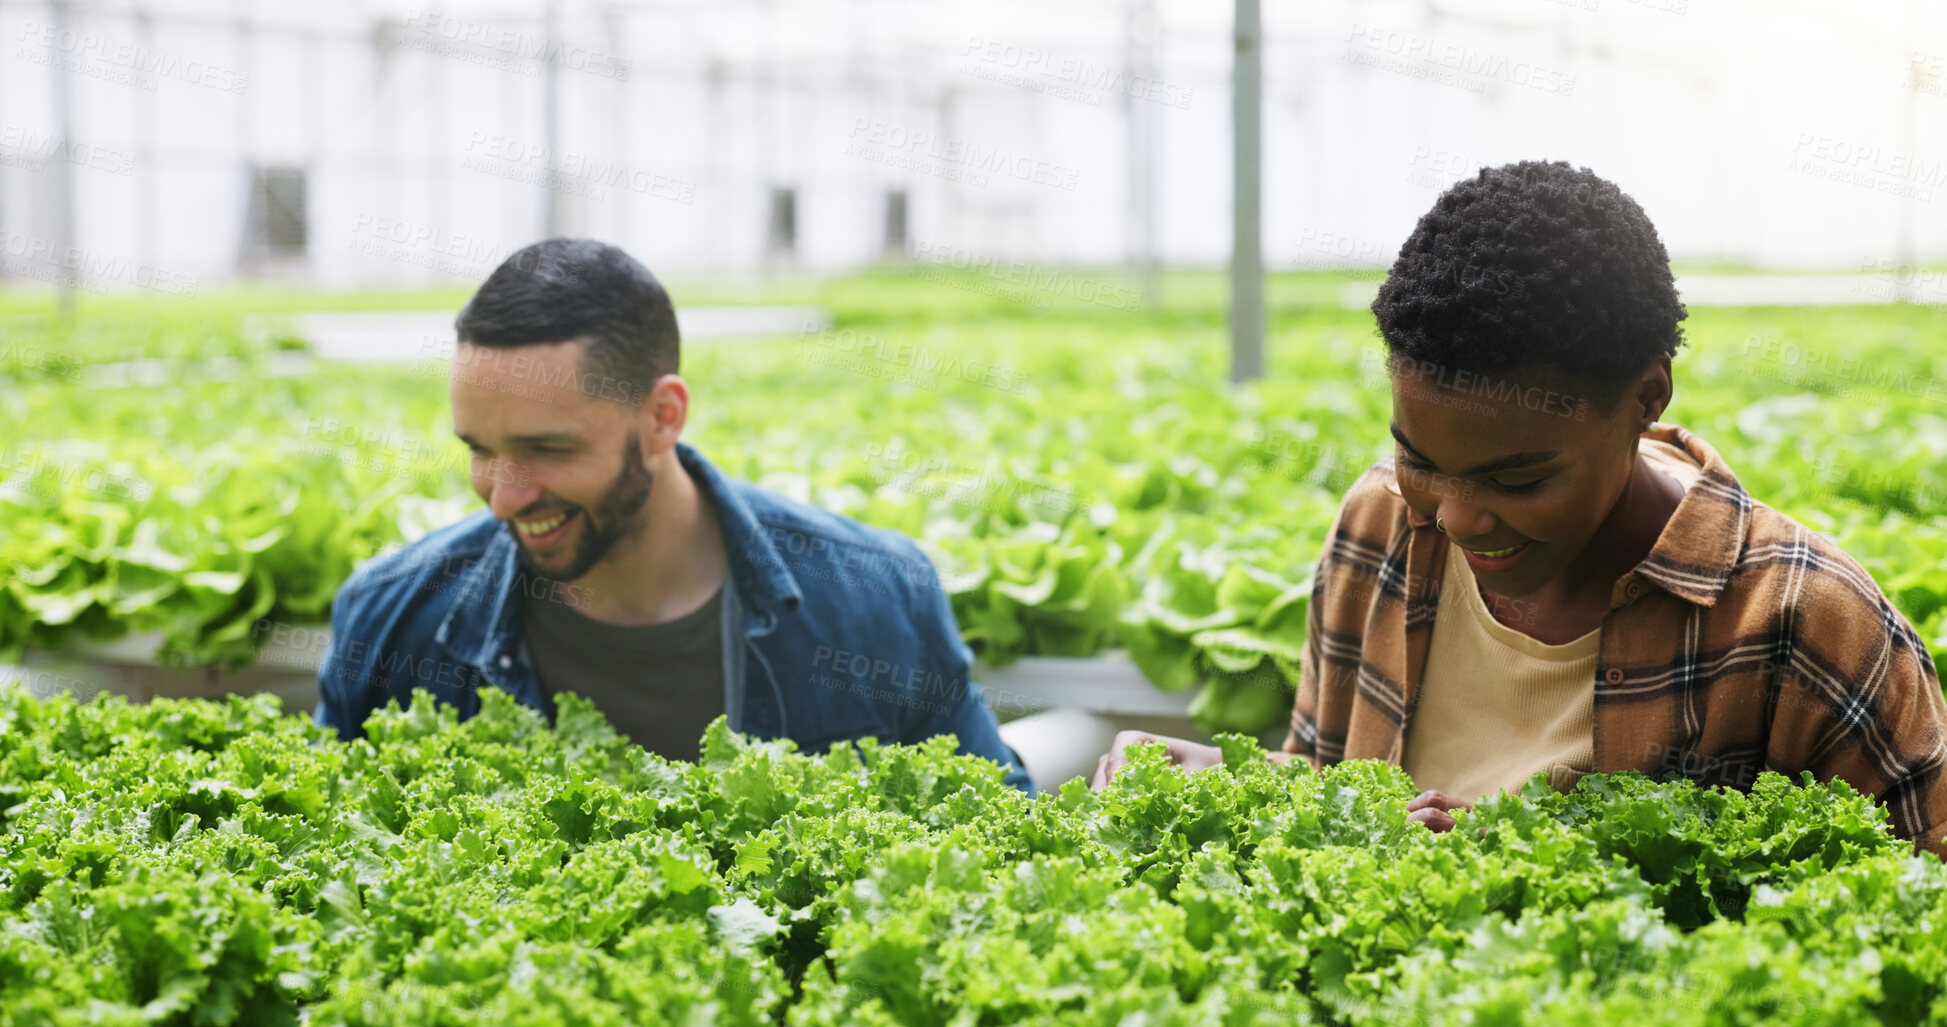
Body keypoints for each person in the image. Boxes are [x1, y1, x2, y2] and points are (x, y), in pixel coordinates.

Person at [1091, 161, 1947, 857]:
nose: (1457, 517)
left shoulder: (1805, 622)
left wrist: (1549, 872)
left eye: (1518, 478)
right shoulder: (1378, 527)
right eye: (1419, 458)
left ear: (1645, 396)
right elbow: (1330, 782)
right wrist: (1225, 782)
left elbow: (1909, 914)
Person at [314, 239, 1031, 792]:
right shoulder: (390, 618)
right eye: (481, 450)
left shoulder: (876, 600)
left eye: (546, 449)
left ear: (663, 417)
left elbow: (994, 831)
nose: (505, 496)